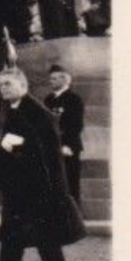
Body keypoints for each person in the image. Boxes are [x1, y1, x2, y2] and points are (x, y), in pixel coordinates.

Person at [0, 67, 86, 261]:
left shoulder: (36, 111)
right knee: (12, 234)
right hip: (22, 186)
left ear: (23, 86)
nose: (4, 89)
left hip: (37, 188)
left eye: (8, 84)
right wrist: (2, 144)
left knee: (45, 236)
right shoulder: (17, 108)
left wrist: (8, 145)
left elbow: (44, 150)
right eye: (1, 85)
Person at [44, 63, 86, 203]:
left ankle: (75, 221)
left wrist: (68, 145)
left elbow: (76, 125)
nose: (51, 81)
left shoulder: (74, 99)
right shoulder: (48, 100)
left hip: (68, 148)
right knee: (54, 185)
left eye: (55, 78)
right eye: (51, 78)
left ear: (64, 80)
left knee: (70, 185)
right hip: (53, 148)